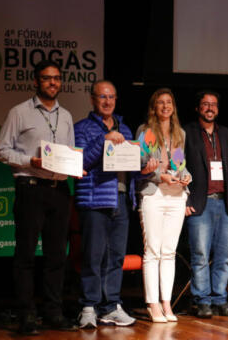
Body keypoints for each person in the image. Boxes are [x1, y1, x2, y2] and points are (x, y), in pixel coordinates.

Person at [0, 60, 77, 334]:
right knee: (26, 255)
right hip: (30, 188)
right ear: (36, 82)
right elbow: (2, 151)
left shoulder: (65, 115)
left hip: (59, 192)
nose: (52, 82)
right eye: (46, 78)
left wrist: (75, 168)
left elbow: (70, 150)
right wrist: (31, 161)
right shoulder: (19, 112)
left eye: (56, 78)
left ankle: (53, 312)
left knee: (57, 257)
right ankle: (26, 316)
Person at [74, 81, 156, 328]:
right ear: (92, 99)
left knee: (116, 257)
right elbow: (80, 163)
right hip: (94, 199)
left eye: (111, 97)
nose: (107, 101)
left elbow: (131, 168)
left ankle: (110, 306)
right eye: (102, 97)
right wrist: (104, 140)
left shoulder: (127, 129)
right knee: (93, 255)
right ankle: (88, 306)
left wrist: (144, 170)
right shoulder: (82, 128)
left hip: (121, 198)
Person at [184, 91, 228, 318]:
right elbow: (178, 165)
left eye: (213, 104)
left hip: (226, 203)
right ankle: (202, 301)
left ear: (218, 108)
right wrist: (185, 199)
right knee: (200, 254)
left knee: (226, 255)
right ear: (198, 108)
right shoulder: (187, 133)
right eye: (205, 104)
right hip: (200, 203)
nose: (209, 107)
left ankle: (220, 299)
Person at [136, 88, 192, 323]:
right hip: (154, 195)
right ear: (154, 107)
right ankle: (153, 304)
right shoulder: (146, 132)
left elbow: (180, 164)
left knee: (169, 252)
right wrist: (161, 177)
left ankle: (167, 304)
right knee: (153, 251)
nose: (165, 106)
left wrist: (186, 175)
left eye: (169, 102)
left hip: (177, 195)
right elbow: (141, 165)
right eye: (161, 103)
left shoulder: (180, 133)